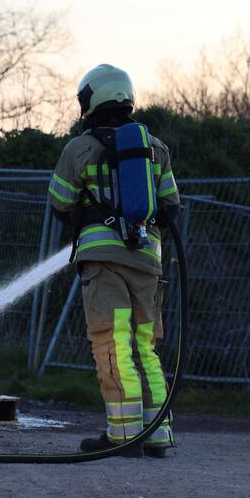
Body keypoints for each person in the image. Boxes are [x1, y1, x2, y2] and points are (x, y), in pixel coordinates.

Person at [47, 64, 180, 458]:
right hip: (147, 263)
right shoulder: (156, 147)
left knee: (111, 342)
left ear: (92, 99)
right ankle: (157, 434)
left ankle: (123, 436)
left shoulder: (80, 148)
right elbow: (172, 207)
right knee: (145, 345)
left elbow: (59, 203)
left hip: (104, 264)